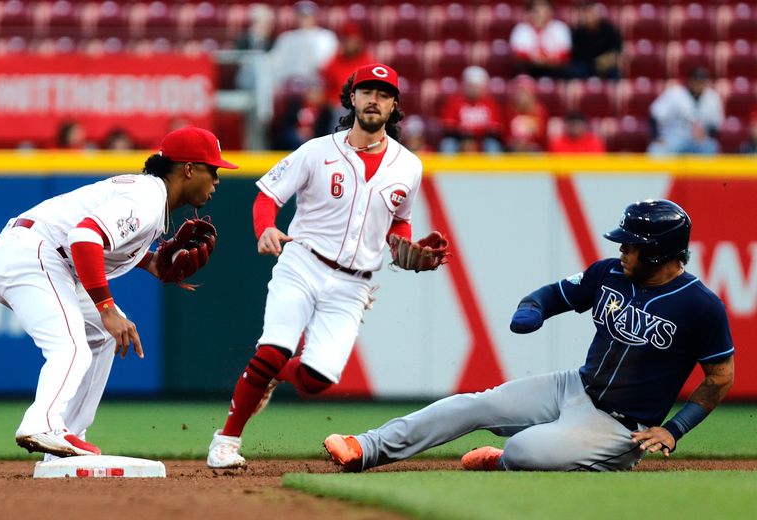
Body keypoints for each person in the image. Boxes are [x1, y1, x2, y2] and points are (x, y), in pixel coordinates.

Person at [325, 199, 735, 472]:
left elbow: (720, 376)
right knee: (475, 405)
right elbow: (551, 295)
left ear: (661, 252)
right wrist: (532, 309)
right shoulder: (609, 272)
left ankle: (505, 462)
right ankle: (366, 447)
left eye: (632, 245)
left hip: (620, 427)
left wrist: (674, 429)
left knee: (524, 450)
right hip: (573, 385)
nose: (622, 250)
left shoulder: (700, 305)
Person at [207, 63, 440, 469]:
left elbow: (398, 219)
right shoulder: (317, 150)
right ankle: (225, 441)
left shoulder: (409, 166)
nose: (374, 99)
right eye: (367, 91)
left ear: (394, 105)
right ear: (352, 97)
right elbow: (267, 195)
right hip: (303, 263)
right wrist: (265, 229)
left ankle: (275, 376)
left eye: (383, 94)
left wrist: (405, 247)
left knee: (318, 380)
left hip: (354, 284)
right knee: (274, 347)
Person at [0, 127, 237, 458]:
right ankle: (40, 423)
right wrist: (106, 308)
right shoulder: (148, 198)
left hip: (33, 253)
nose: (216, 180)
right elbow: (84, 238)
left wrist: (153, 263)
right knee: (71, 346)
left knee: (101, 336)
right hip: (32, 254)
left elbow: (95, 235)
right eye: (212, 170)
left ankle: (66, 435)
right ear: (188, 169)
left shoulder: (150, 196)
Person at [648, 68, 724, 156]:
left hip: (699, 141)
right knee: (657, 149)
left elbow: (716, 126)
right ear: (690, 81)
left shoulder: (712, 97)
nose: (698, 84)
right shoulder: (675, 93)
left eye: (701, 81)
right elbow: (654, 115)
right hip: (674, 137)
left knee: (711, 147)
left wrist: (706, 135)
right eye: (696, 80)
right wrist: (656, 137)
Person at [269, 1, 337, 90]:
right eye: (301, 16)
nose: (304, 19)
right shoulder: (286, 38)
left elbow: (328, 64)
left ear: (315, 16)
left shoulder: (326, 37)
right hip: (289, 85)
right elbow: (275, 64)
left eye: (307, 16)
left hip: (315, 85)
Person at [438, 66, 504, 154]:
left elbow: (495, 129)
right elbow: (448, 127)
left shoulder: (490, 104)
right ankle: (446, 168)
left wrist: (474, 137)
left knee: (492, 145)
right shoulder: (454, 102)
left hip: (482, 141)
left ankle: (493, 168)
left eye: (476, 86)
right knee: (448, 144)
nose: (473, 90)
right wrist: (465, 137)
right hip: (460, 140)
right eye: (470, 86)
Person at [320, 22, 375, 109]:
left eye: (353, 40)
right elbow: (324, 87)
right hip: (337, 107)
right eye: (347, 40)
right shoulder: (335, 61)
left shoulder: (369, 62)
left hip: (361, 106)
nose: (350, 44)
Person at [510, 0, 571, 78]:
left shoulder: (560, 28)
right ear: (530, 12)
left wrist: (547, 60)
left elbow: (564, 55)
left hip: (555, 71)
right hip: (529, 70)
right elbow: (517, 54)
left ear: (551, 11)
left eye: (544, 10)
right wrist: (534, 58)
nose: (541, 15)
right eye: (537, 11)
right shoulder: (521, 29)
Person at [271, 77, 335, 151]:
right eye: (311, 91)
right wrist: (298, 131)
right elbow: (287, 123)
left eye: (316, 92)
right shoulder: (296, 105)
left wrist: (312, 133)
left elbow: (326, 129)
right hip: (295, 137)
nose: (313, 95)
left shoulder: (326, 111)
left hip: (316, 138)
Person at [569, 1, 622, 79]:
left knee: (614, 73)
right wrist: (594, 63)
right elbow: (576, 56)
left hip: (605, 65)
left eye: (591, 13)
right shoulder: (577, 33)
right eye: (586, 13)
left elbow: (616, 49)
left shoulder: (608, 29)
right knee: (577, 71)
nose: (589, 17)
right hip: (586, 66)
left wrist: (608, 59)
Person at [505, 75, 548, 152]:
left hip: (533, 148)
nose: (520, 96)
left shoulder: (539, 110)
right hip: (514, 147)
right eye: (518, 93)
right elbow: (507, 135)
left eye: (524, 93)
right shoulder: (510, 110)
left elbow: (541, 136)